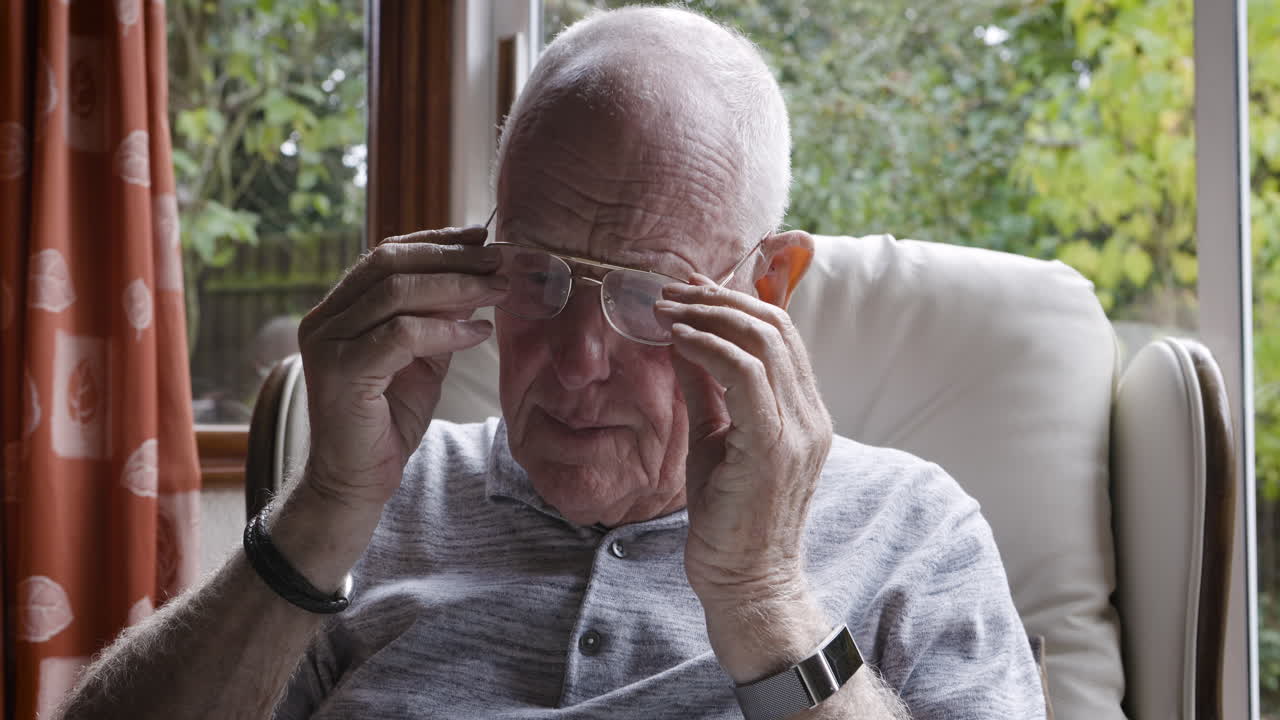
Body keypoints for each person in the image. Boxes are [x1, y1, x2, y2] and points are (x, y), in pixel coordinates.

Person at [59, 7, 1046, 719]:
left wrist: (762, 599)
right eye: (536, 273)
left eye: (645, 292)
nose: (574, 362)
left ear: (766, 284)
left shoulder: (915, 529)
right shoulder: (379, 502)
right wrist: (321, 511)